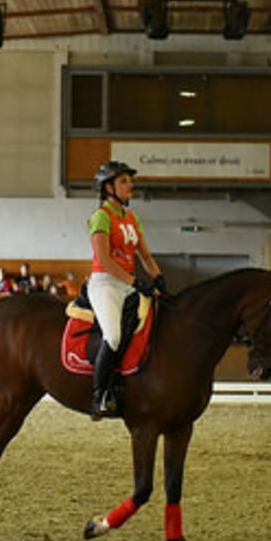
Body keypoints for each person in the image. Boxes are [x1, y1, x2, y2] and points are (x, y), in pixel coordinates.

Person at [86, 161, 163, 420]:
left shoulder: (132, 218)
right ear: (109, 187)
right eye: (124, 182)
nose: (130, 186)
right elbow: (105, 260)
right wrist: (134, 283)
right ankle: (98, 397)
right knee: (114, 336)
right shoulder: (101, 216)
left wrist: (158, 278)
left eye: (130, 181)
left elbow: (146, 257)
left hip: (128, 283)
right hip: (105, 283)